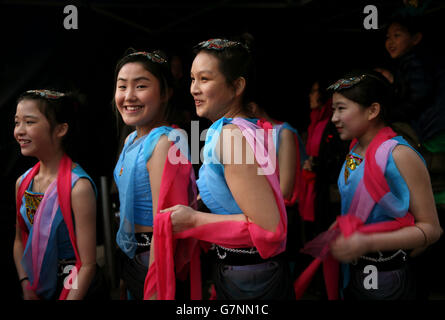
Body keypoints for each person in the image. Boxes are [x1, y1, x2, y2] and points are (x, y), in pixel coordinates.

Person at [159, 37, 294, 300]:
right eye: (192, 79)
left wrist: (194, 220)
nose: (193, 89)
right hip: (245, 272)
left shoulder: (232, 136)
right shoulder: (231, 129)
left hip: (252, 280)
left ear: (237, 86)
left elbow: (268, 228)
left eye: (205, 79)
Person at [295, 70, 442, 300]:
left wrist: (368, 241)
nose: (334, 118)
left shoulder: (401, 155)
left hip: (384, 274)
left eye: (341, 109)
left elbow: (431, 229)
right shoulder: (355, 149)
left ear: (373, 110)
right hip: (354, 269)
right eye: (334, 109)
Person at [112, 49, 195, 300]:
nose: (128, 96)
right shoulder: (130, 140)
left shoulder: (164, 142)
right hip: (135, 258)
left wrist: (156, 286)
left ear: (166, 93)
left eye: (140, 86)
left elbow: (166, 222)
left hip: (155, 261)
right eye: (122, 86)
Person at [13, 89, 100, 300]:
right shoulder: (23, 182)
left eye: (30, 122)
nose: (19, 131)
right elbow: (19, 241)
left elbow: (87, 264)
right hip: (37, 286)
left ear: (61, 129)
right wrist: (26, 285)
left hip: (74, 287)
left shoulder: (78, 187)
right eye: (17, 122)